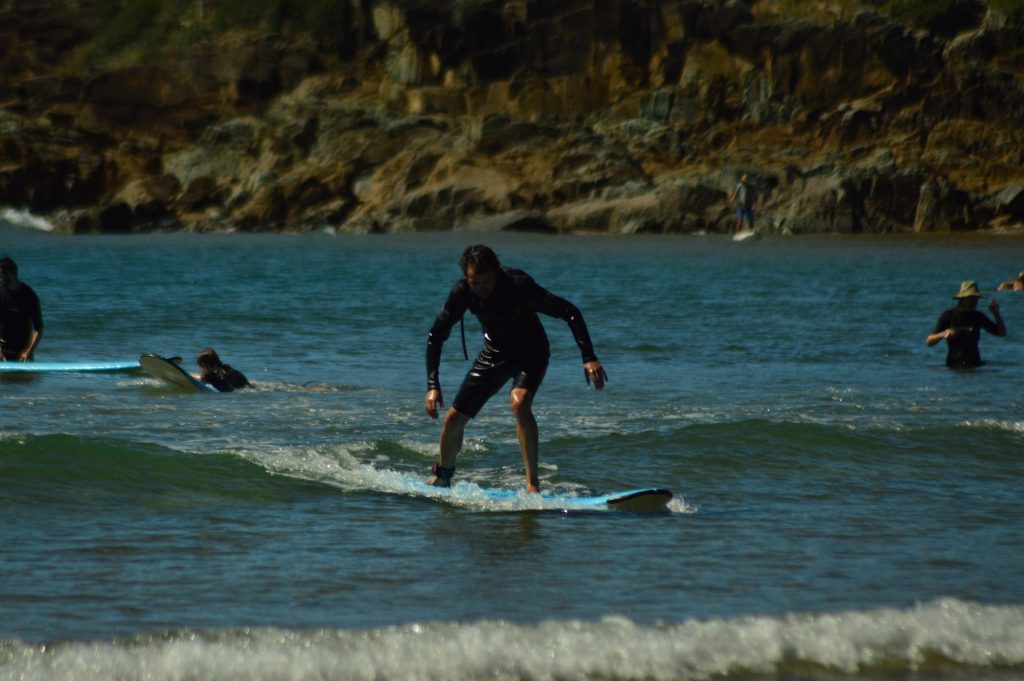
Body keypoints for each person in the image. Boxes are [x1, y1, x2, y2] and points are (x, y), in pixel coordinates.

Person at [424, 244, 608, 493]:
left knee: (519, 402)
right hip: (494, 353)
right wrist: (433, 386)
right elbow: (436, 335)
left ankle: (532, 484)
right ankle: (444, 476)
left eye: (486, 282)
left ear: (496, 272)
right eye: (475, 283)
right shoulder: (462, 292)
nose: (481, 289)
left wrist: (589, 357)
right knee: (453, 419)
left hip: (531, 351)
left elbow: (569, 312)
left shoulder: (518, 285)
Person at [926, 280, 1006, 369]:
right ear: (962, 298)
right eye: (971, 298)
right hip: (954, 366)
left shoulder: (977, 316)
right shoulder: (949, 316)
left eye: (976, 299)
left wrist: (996, 314)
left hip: (975, 365)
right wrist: (942, 335)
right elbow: (929, 341)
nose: (974, 302)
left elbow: (1001, 333)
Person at [0, 256, 43, 361]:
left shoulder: (28, 295)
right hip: (2, 352)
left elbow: (38, 328)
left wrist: (28, 352)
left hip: (23, 353)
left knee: (24, 377)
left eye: (0, 275)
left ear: (10, 275)